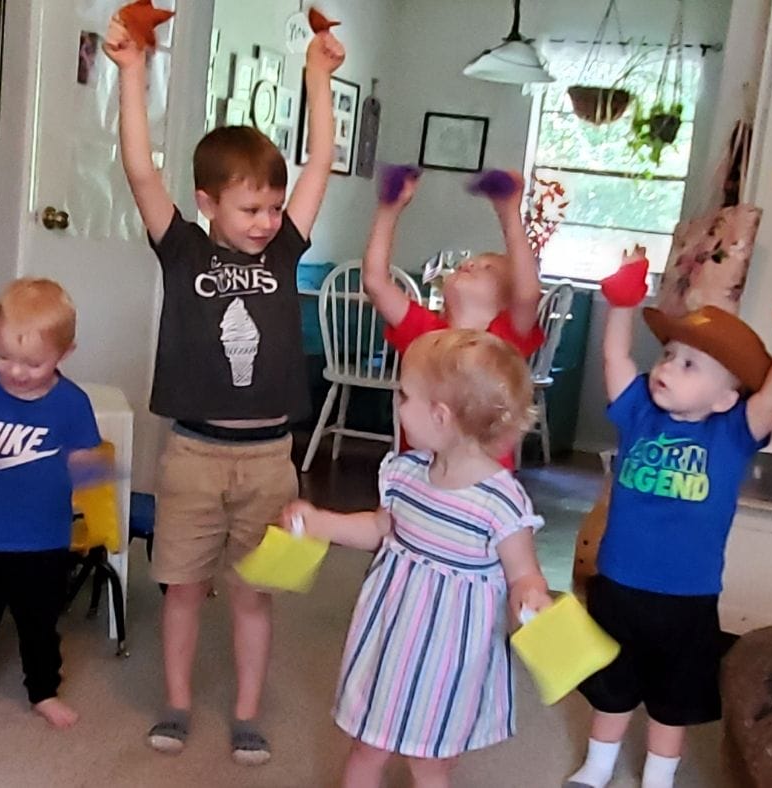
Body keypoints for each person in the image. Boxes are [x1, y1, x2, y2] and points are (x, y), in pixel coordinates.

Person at [103, 14, 344, 764]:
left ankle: (245, 710)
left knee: (254, 593)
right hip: (194, 457)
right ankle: (176, 702)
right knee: (180, 586)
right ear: (207, 202)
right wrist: (133, 71)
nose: (268, 222)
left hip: (272, 458)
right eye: (250, 209)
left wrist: (319, 79)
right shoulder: (181, 247)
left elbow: (320, 165)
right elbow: (141, 169)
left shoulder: (285, 249)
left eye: (274, 208)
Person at [564, 248, 772, 788]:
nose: (666, 367)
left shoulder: (731, 434)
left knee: (673, 702)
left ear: (726, 397)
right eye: (668, 355)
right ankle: (597, 767)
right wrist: (621, 304)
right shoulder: (639, 410)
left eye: (689, 365)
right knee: (611, 687)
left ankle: (658, 779)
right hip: (618, 585)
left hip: (687, 598)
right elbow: (617, 362)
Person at [282, 329, 553, 788]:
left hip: (452, 651)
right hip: (391, 634)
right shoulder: (405, 474)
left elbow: (524, 571)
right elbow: (380, 529)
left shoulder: (500, 501)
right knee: (368, 741)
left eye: (405, 395)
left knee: (430, 760)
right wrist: (320, 522)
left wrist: (531, 595)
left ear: (441, 416)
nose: (399, 404)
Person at [0, 279, 104, 736]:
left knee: (40, 624)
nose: (16, 371)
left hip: (44, 538)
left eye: (33, 362)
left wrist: (90, 467)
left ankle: (44, 691)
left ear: (65, 354)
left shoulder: (72, 403)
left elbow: (84, 458)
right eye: (4, 356)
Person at [361, 168, 544, 469]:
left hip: (480, 487)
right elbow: (375, 282)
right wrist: (388, 210)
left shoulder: (502, 340)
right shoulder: (425, 332)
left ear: (504, 303)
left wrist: (509, 211)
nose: (470, 263)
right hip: (420, 478)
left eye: (488, 269)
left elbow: (528, 293)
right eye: (469, 262)